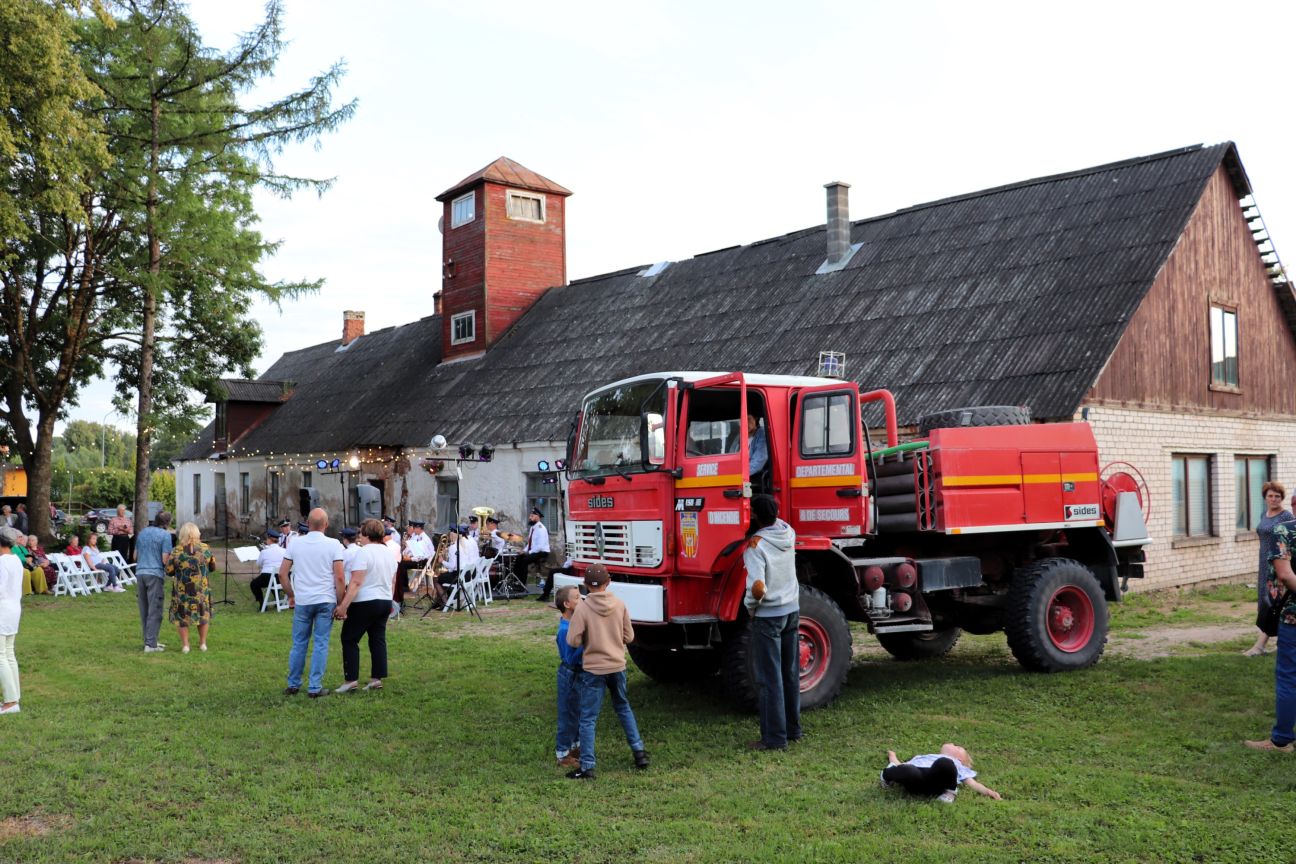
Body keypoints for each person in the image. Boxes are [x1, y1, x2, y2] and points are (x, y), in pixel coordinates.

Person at [564, 563, 648, 779]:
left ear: (585, 584)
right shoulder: (619, 604)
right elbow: (629, 637)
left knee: (588, 718)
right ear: (608, 582)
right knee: (623, 707)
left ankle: (587, 766)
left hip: (594, 669)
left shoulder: (583, 608)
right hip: (617, 665)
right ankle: (639, 752)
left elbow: (573, 641)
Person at [743, 494, 801, 751]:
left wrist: (750, 607)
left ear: (754, 515)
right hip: (792, 610)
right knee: (789, 673)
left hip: (768, 615)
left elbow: (757, 588)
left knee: (769, 679)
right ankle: (793, 729)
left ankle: (774, 738)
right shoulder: (789, 532)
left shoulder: (756, 546)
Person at [279, 508, 344, 697]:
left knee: (299, 643)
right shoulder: (334, 544)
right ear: (326, 524)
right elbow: (340, 577)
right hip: (325, 599)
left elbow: (282, 574)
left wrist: (291, 595)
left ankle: (293, 684)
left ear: (307, 524)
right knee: (321, 643)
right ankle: (315, 686)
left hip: (303, 599)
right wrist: (341, 603)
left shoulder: (295, 543)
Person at [1246, 521, 1296, 752]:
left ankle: (1281, 741)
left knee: (1288, 677)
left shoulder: (1284, 530)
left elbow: (1284, 575)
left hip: (1293, 619)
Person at [334, 519, 397, 693]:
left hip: (365, 600)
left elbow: (356, 582)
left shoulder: (363, 552)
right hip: (384, 599)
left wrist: (343, 606)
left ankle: (350, 680)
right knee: (377, 639)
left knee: (349, 638)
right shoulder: (388, 553)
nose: (359, 537)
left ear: (367, 534)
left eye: (361, 533)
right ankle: (377, 678)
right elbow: (393, 581)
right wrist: (389, 600)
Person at [1246, 481, 1295, 657]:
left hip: (1279, 563)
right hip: (1264, 561)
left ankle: (1260, 645)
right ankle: (1280, 640)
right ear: (1265, 497)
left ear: (1282, 498)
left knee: (1276, 601)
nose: (1274, 499)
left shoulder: (1286, 516)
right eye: (1270, 496)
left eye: (1277, 496)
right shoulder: (1264, 514)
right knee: (1265, 601)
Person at [880, 744, 1002, 802]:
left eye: (957, 747)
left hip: (937, 783)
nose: (954, 744)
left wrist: (988, 792)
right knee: (907, 769)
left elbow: (973, 783)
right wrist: (892, 756)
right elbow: (900, 765)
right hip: (915, 778)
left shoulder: (957, 764)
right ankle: (886, 775)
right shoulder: (924, 757)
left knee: (945, 763)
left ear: (960, 759)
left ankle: (949, 793)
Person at [166, 523, 215, 654]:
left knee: (182, 617)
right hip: (201, 590)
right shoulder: (205, 548)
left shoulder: (177, 551)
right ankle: (203, 644)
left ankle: (186, 646)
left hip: (182, 591)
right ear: (197, 533)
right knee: (202, 615)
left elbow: (169, 571)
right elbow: (212, 567)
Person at [134, 512, 175, 653]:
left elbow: (135, 556)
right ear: (167, 523)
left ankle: (150, 641)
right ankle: (150, 645)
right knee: (155, 609)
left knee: (144, 609)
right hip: (155, 574)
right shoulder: (165, 535)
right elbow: (164, 559)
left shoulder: (142, 532)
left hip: (140, 573)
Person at [554, 584, 584, 767]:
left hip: (578, 674)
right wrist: (586, 643)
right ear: (567, 604)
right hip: (570, 674)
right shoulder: (565, 630)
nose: (581, 600)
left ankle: (575, 746)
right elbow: (570, 658)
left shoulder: (574, 625)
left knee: (577, 710)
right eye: (577, 598)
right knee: (567, 712)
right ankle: (563, 753)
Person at [0, 532, 23, 714]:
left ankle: (11, 701)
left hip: (3, 608)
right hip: (14, 608)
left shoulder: (3, 562)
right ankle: (14, 698)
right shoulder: (16, 560)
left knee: (1, 656)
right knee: (8, 653)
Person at [517, 508, 552, 601]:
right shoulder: (533, 528)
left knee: (524, 561)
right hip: (535, 551)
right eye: (530, 516)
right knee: (518, 558)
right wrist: (524, 551)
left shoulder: (541, 529)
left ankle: (522, 585)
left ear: (537, 517)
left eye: (532, 516)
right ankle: (517, 582)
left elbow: (539, 546)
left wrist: (528, 553)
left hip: (542, 552)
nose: (530, 517)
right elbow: (530, 544)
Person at [250, 529, 286, 606]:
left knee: (253, 584)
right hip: (281, 577)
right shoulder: (284, 550)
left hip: (268, 576)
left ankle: (262, 603)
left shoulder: (264, 552)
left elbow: (258, 564)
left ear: (269, 540)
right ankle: (278, 599)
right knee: (273, 583)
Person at [748, 414, 768, 480]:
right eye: (742, 419)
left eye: (748, 419)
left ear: (755, 419)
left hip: (753, 478)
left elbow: (759, 460)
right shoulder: (739, 437)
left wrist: (740, 473)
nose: (745, 422)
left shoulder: (762, 434)